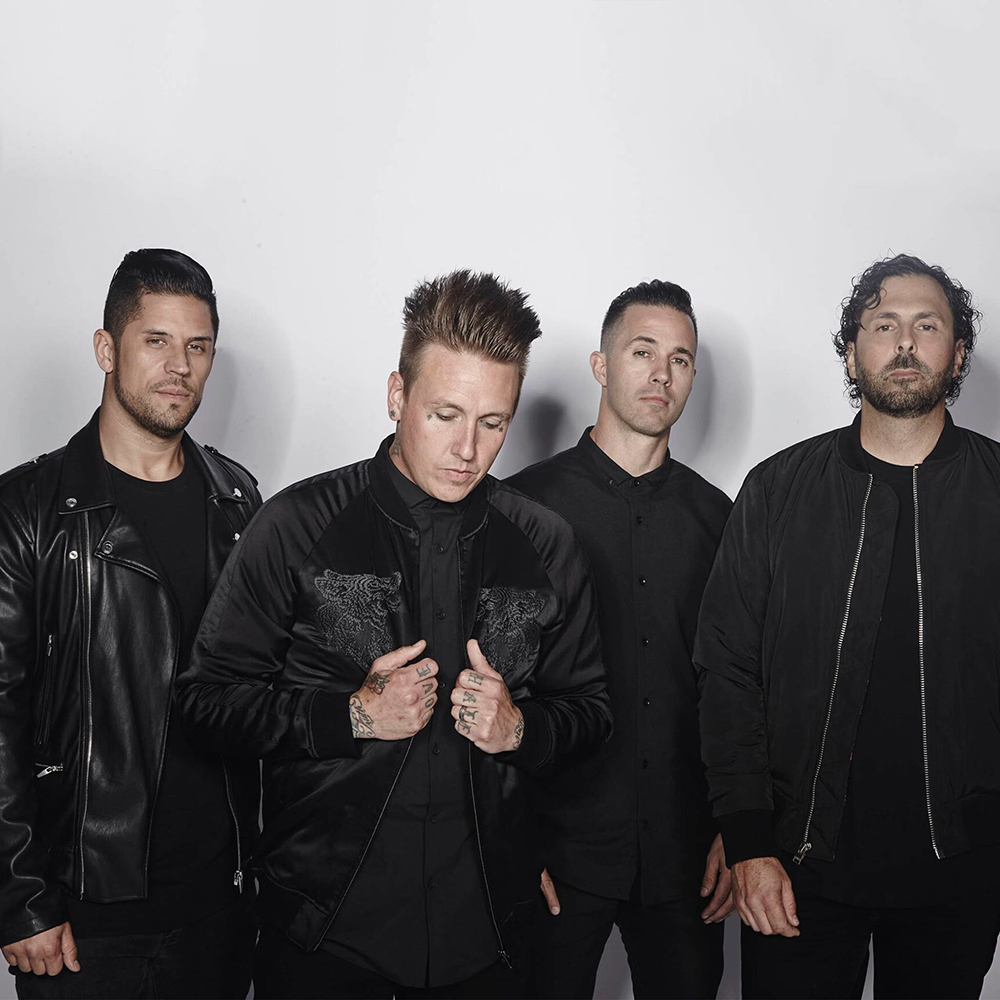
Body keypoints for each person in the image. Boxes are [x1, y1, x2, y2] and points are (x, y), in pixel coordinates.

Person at [175, 269, 612, 1000]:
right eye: (445, 414)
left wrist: (520, 730)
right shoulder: (297, 525)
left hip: (486, 940)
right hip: (326, 935)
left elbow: (591, 713)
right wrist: (348, 714)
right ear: (396, 395)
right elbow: (205, 704)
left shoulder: (546, 542)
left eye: (493, 423)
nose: (468, 448)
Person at [696, 253, 1000, 999]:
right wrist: (748, 839)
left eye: (928, 325)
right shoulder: (777, 489)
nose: (905, 343)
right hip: (795, 870)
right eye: (883, 325)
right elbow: (728, 670)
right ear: (850, 350)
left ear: (958, 352)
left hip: (962, 873)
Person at [0, 249, 261, 999]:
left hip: (218, 905)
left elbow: (259, 689)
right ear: (106, 349)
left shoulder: (237, 501)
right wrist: (20, 897)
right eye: (156, 341)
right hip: (86, 918)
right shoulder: (27, 511)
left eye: (198, 345)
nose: (180, 366)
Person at [509, 280, 733, 999]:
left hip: (685, 856)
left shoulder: (721, 520)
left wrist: (739, 828)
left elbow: (740, 684)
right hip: (554, 850)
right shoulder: (521, 508)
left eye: (680, 359)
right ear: (601, 366)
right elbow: (485, 679)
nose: (662, 374)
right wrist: (508, 835)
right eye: (642, 352)